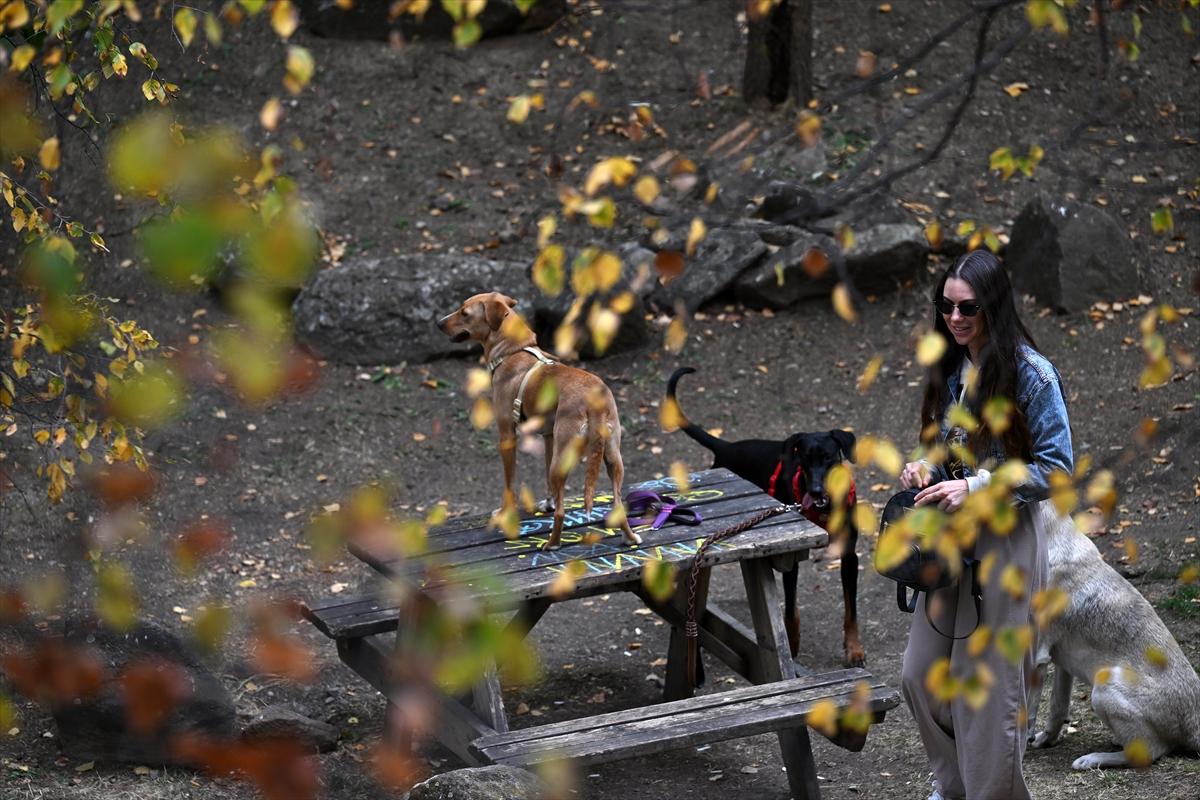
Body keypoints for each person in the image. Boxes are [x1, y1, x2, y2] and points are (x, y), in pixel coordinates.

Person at [897, 249, 1073, 800]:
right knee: (919, 676)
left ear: (992, 306)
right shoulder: (954, 367)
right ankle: (956, 787)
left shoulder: (1033, 376)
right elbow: (952, 447)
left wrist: (976, 486)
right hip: (952, 543)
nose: (954, 318)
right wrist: (928, 465)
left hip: (1007, 544)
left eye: (967, 307)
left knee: (990, 693)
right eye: (945, 307)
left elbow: (1057, 468)